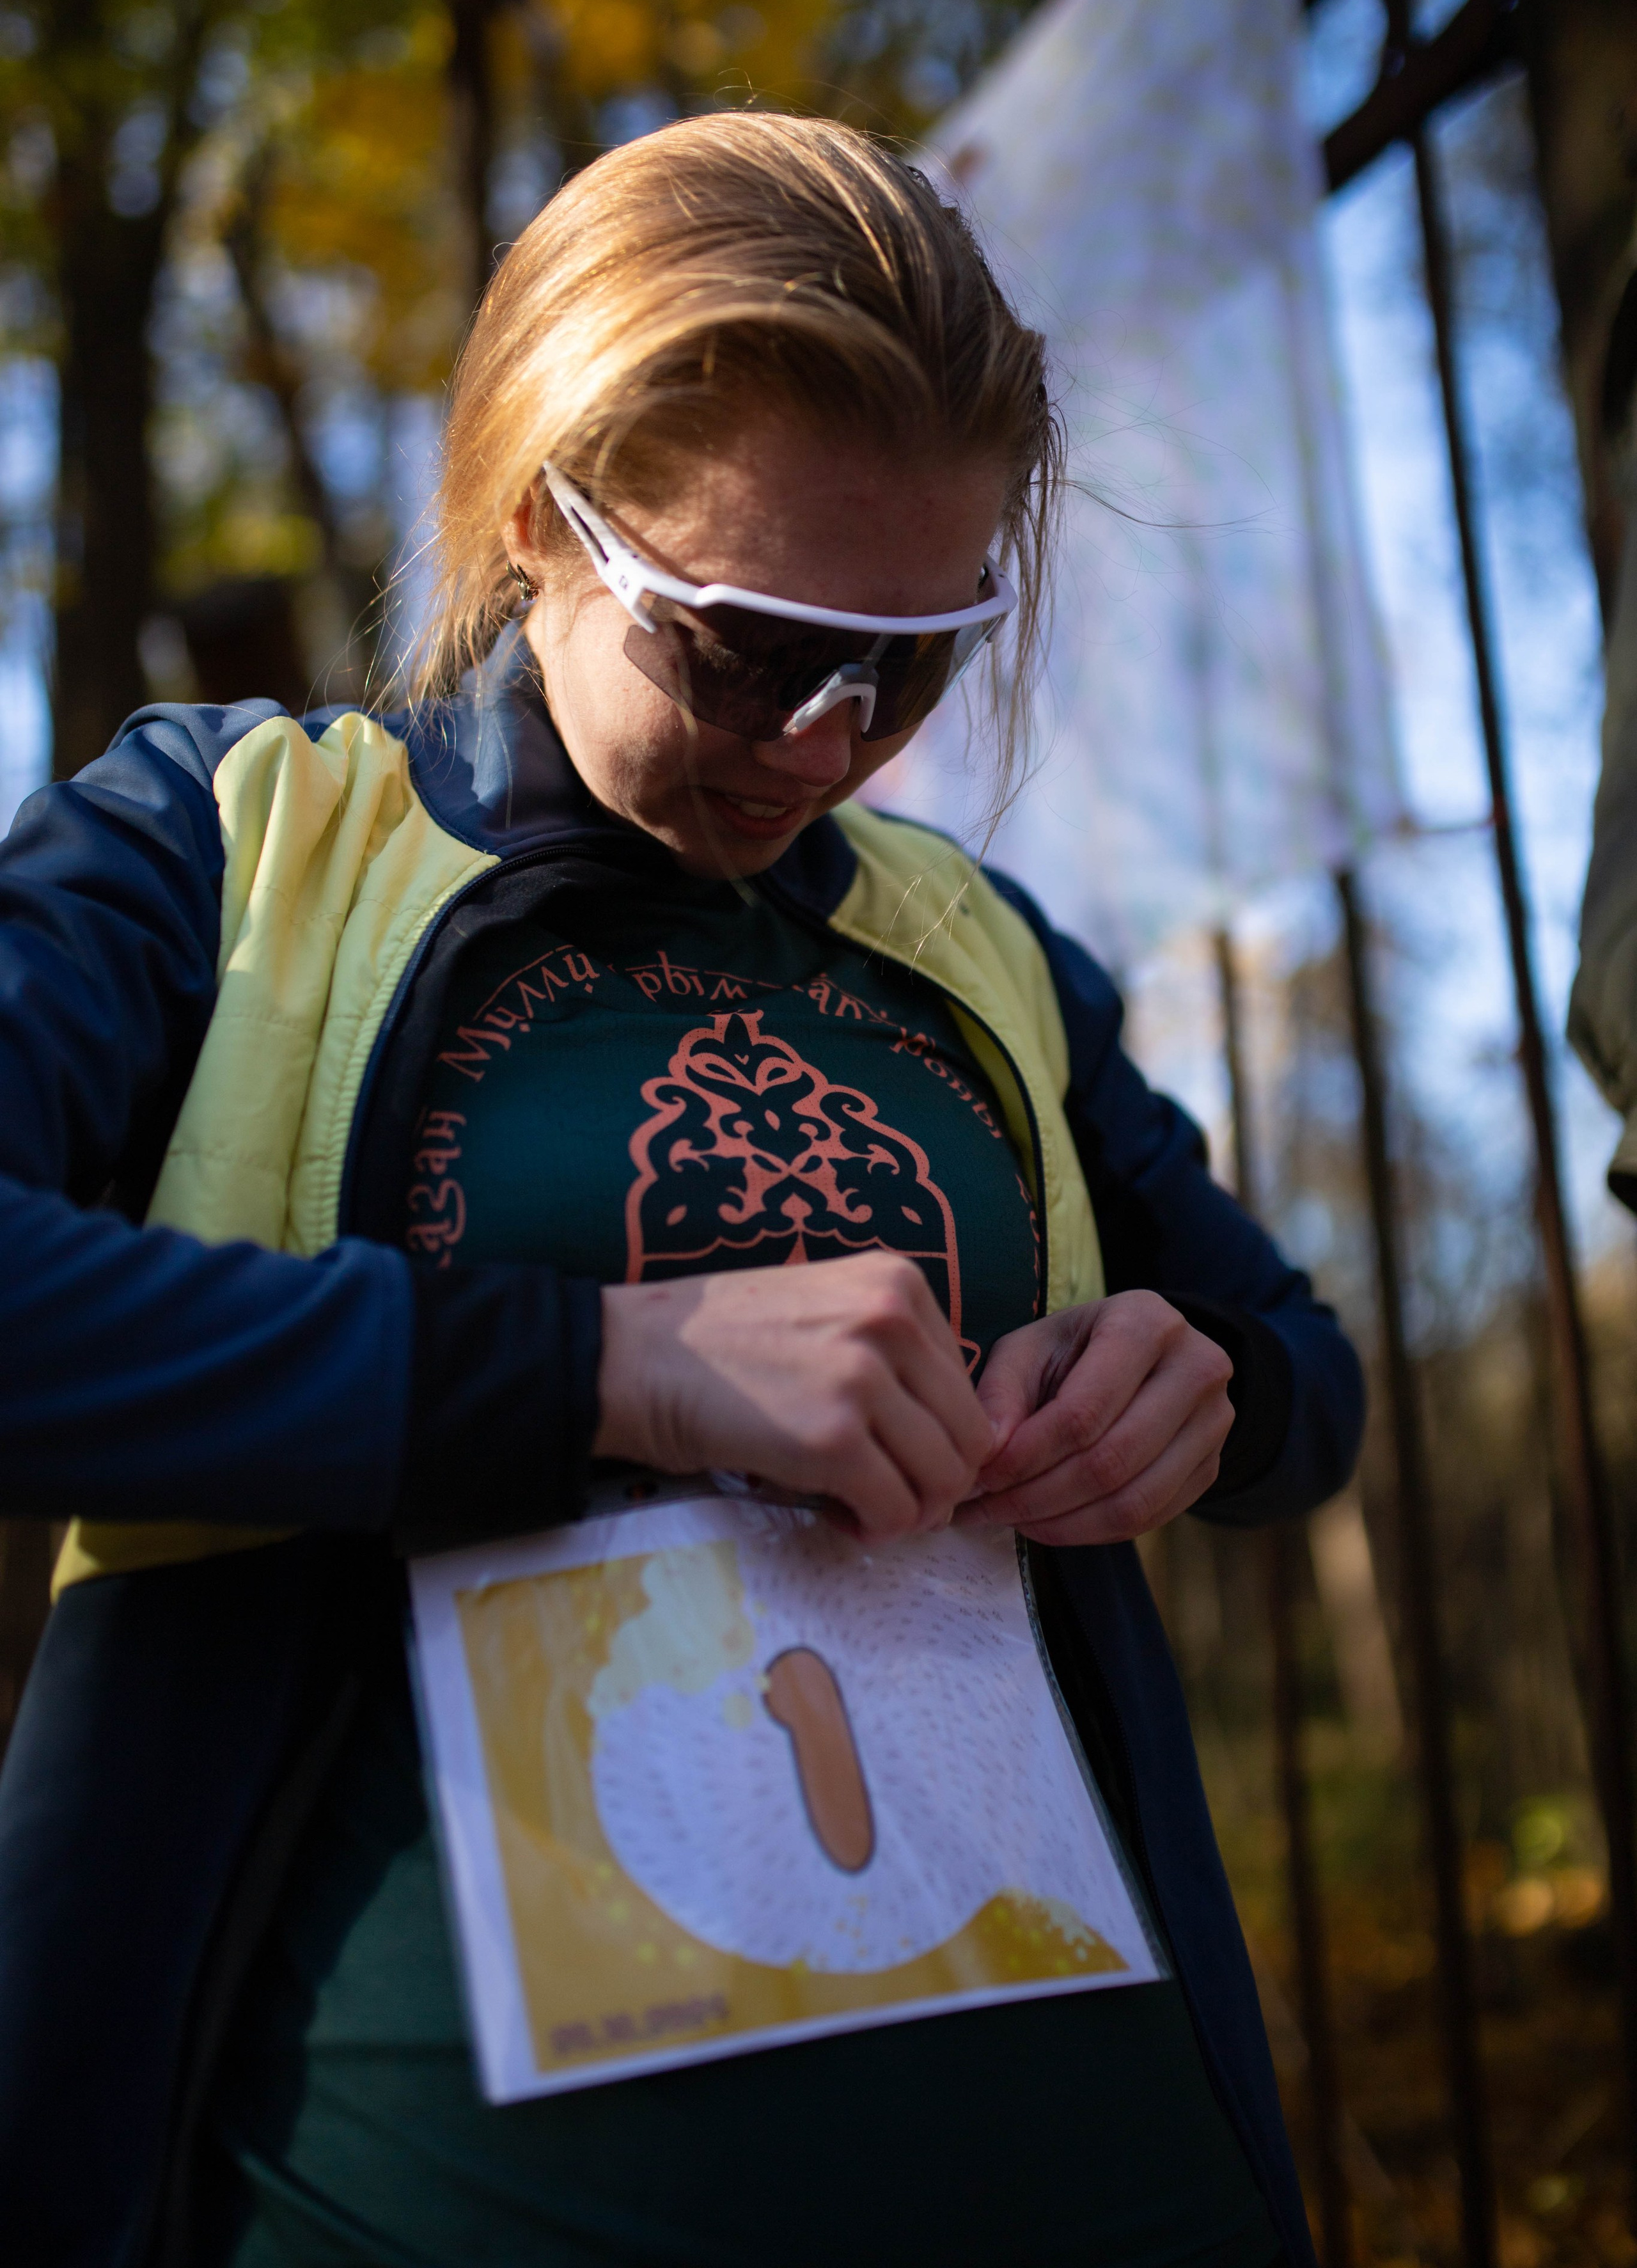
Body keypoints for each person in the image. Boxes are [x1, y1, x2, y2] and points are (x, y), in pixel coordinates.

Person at [0, 113, 1363, 2268]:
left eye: (910, 660)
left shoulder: (985, 942)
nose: (826, 740)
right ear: (545, 514)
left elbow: (1307, 1378)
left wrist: (1203, 1392)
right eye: (750, 643)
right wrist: (596, 1365)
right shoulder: (225, 845)